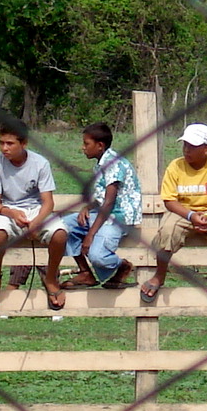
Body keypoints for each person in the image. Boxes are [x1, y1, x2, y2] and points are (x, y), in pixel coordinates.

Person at [139, 123, 207, 304]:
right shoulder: (175, 166)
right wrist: (191, 216)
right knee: (167, 231)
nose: (187, 150)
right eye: (185, 145)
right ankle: (159, 275)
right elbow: (169, 201)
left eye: (193, 146)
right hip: (182, 212)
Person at [0, 120, 68, 311]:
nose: (4, 148)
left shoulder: (40, 163)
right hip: (8, 209)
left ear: (24, 143)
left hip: (36, 209)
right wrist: (11, 213)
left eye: (10, 143)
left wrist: (36, 222)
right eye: (1, 143)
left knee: (60, 234)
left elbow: (48, 203)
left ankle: (51, 278)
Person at [61, 122, 141, 289]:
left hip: (118, 218)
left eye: (86, 143)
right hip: (103, 214)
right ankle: (85, 273)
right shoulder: (101, 163)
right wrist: (87, 208)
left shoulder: (113, 164)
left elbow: (109, 201)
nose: (83, 148)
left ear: (100, 145)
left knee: (97, 256)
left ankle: (122, 266)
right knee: (63, 227)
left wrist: (90, 234)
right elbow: (101, 197)